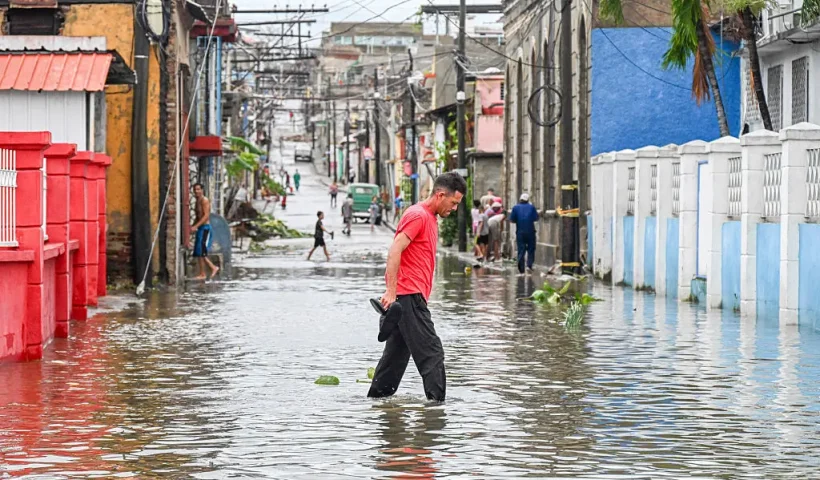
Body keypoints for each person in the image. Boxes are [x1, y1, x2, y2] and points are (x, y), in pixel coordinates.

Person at [368, 172, 467, 403]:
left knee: (394, 358)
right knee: (432, 353)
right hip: (408, 297)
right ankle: (437, 412)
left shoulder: (429, 218)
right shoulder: (418, 215)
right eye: (453, 203)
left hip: (409, 299)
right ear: (441, 195)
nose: (454, 209)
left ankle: (376, 403)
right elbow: (395, 251)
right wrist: (391, 291)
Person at [190, 183, 219, 280]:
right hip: (200, 228)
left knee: (202, 251)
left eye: (198, 189)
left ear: (202, 190)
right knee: (198, 251)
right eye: (195, 189)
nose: (196, 191)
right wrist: (193, 226)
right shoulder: (197, 201)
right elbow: (198, 216)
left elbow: (206, 215)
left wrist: (195, 226)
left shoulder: (204, 200)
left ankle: (211, 268)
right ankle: (204, 272)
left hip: (205, 228)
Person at [509, 193, 539, 274]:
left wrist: (518, 220)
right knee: (531, 249)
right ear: (528, 200)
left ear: (520, 199)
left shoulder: (515, 208)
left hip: (520, 232)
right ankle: (529, 265)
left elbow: (511, 220)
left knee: (521, 249)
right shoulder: (531, 207)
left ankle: (521, 268)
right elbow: (536, 218)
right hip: (530, 232)